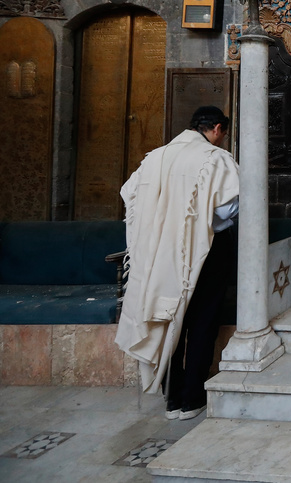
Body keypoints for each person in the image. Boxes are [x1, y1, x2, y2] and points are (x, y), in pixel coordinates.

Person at [114, 106, 240, 421]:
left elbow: (129, 195)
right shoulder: (215, 159)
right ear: (217, 128)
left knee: (167, 318)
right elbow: (228, 209)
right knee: (202, 321)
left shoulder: (154, 157)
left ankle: (172, 398)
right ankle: (192, 398)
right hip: (205, 249)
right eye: (222, 133)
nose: (221, 139)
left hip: (159, 251)